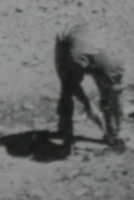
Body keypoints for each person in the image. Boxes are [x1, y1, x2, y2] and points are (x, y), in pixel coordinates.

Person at [54, 23, 125, 151]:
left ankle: (112, 133)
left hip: (91, 44)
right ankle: (66, 131)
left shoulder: (112, 64)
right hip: (66, 38)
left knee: (108, 96)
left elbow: (115, 97)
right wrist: (88, 105)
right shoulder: (75, 58)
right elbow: (71, 83)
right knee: (66, 89)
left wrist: (118, 127)